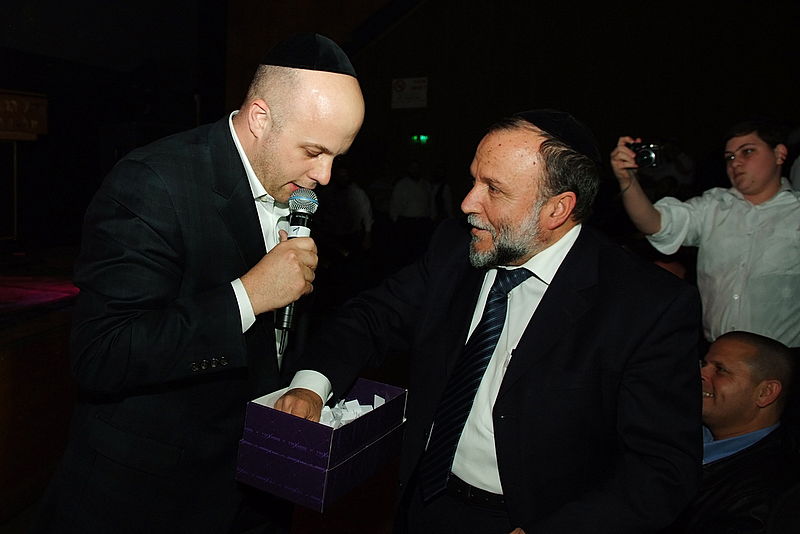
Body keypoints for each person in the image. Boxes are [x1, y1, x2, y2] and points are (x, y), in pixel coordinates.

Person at [278, 109, 704, 533]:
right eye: (474, 180)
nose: (468, 203)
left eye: (493, 189)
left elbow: (662, 469)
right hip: (424, 500)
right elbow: (371, 317)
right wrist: (310, 387)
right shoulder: (454, 248)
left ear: (557, 209)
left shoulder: (647, 306)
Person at [32, 33, 365, 534]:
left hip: (256, 487)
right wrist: (248, 296)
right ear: (260, 118)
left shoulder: (297, 186)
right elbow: (102, 354)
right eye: (314, 151)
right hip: (150, 499)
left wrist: (303, 384)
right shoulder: (153, 181)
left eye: (337, 155)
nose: (325, 175)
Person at [610, 120, 800, 348]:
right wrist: (627, 180)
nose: (736, 162)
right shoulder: (713, 206)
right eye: (729, 157)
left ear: (779, 154)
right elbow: (655, 224)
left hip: (784, 357)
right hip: (717, 353)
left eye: (747, 151)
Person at [663, 331, 800, 533]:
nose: (700, 374)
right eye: (703, 364)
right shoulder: (673, 430)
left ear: (765, 393)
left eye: (720, 370)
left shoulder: (765, 494)